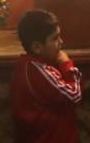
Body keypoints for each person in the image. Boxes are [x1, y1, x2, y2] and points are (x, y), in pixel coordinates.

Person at [11, 9, 82, 143]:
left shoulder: (25, 65)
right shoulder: (40, 71)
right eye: (55, 38)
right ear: (37, 47)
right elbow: (74, 96)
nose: (61, 42)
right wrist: (67, 65)